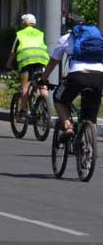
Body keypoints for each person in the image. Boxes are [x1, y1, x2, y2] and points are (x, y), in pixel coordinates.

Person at [41, 14, 103, 149]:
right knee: (90, 115)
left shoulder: (66, 39)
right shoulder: (97, 38)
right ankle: (90, 150)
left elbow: (53, 62)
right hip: (99, 76)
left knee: (59, 98)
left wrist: (44, 78)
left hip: (77, 76)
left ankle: (68, 127)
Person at [6, 13, 51, 115]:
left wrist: (9, 64)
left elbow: (13, 52)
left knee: (25, 85)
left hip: (26, 62)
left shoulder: (20, 34)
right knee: (42, 84)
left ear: (24, 23)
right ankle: (46, 107)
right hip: (41, 61)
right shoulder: (40, 33)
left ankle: (23, 110)